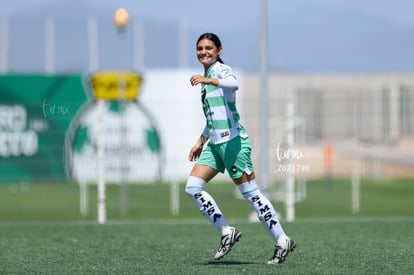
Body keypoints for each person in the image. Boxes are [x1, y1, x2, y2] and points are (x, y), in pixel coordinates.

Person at [185, 32, 296, 264]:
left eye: (208, 48)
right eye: (200, 48)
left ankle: (282, 239)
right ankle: (226, 231)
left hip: (233, 143)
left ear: (219, 51)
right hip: (215, 145)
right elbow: (214, 116)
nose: (203, 52)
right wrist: (201, 140)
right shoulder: (207, 77)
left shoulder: (220, 71)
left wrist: (210, 80)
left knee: (252, 195)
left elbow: (234, 84)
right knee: (193, 187)